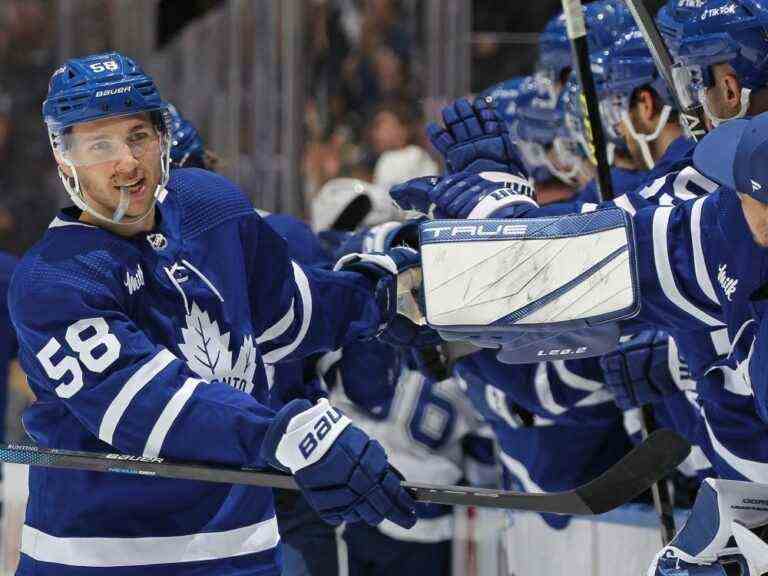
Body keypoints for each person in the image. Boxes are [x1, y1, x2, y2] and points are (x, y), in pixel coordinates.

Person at [9, 51, 425, 575]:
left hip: (240, 553)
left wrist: (379, 295)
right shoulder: (54, 278)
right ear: (63, 156)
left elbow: (292, 314)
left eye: (139, 135)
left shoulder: (211, 207)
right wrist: (281, 433)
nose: (127, 164)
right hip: (100, 561)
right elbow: (151, 408)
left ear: (163, 136)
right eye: (100, 145)